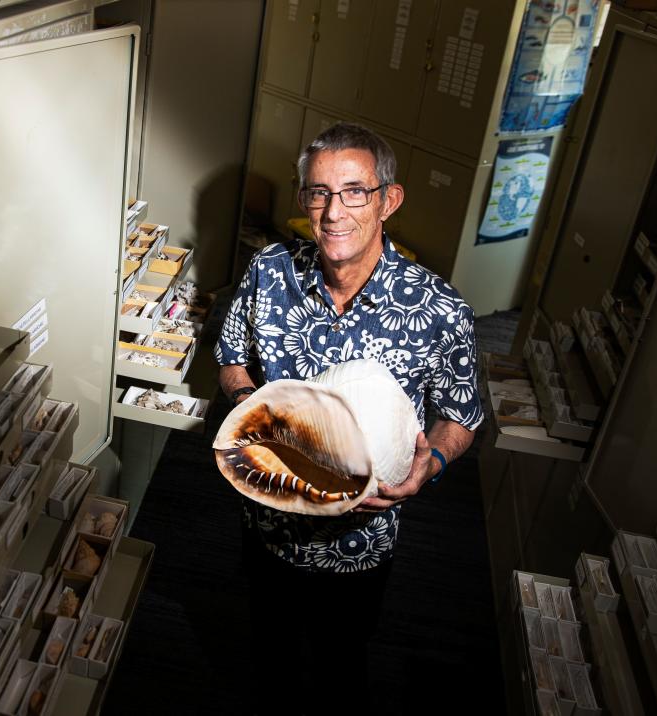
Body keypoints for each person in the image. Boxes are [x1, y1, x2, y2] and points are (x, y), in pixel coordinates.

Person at [215, 122, 484, 715]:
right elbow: (231, 353)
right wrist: (247, 407)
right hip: (270, 523)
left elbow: (461, 416)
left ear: (389, 199)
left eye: (355, 192)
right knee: (270, 658)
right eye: (319, 192)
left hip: (359, 542)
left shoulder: (440, 311)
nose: (334, 212)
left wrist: (429, 464)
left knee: (342, 667)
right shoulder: (269, 272)